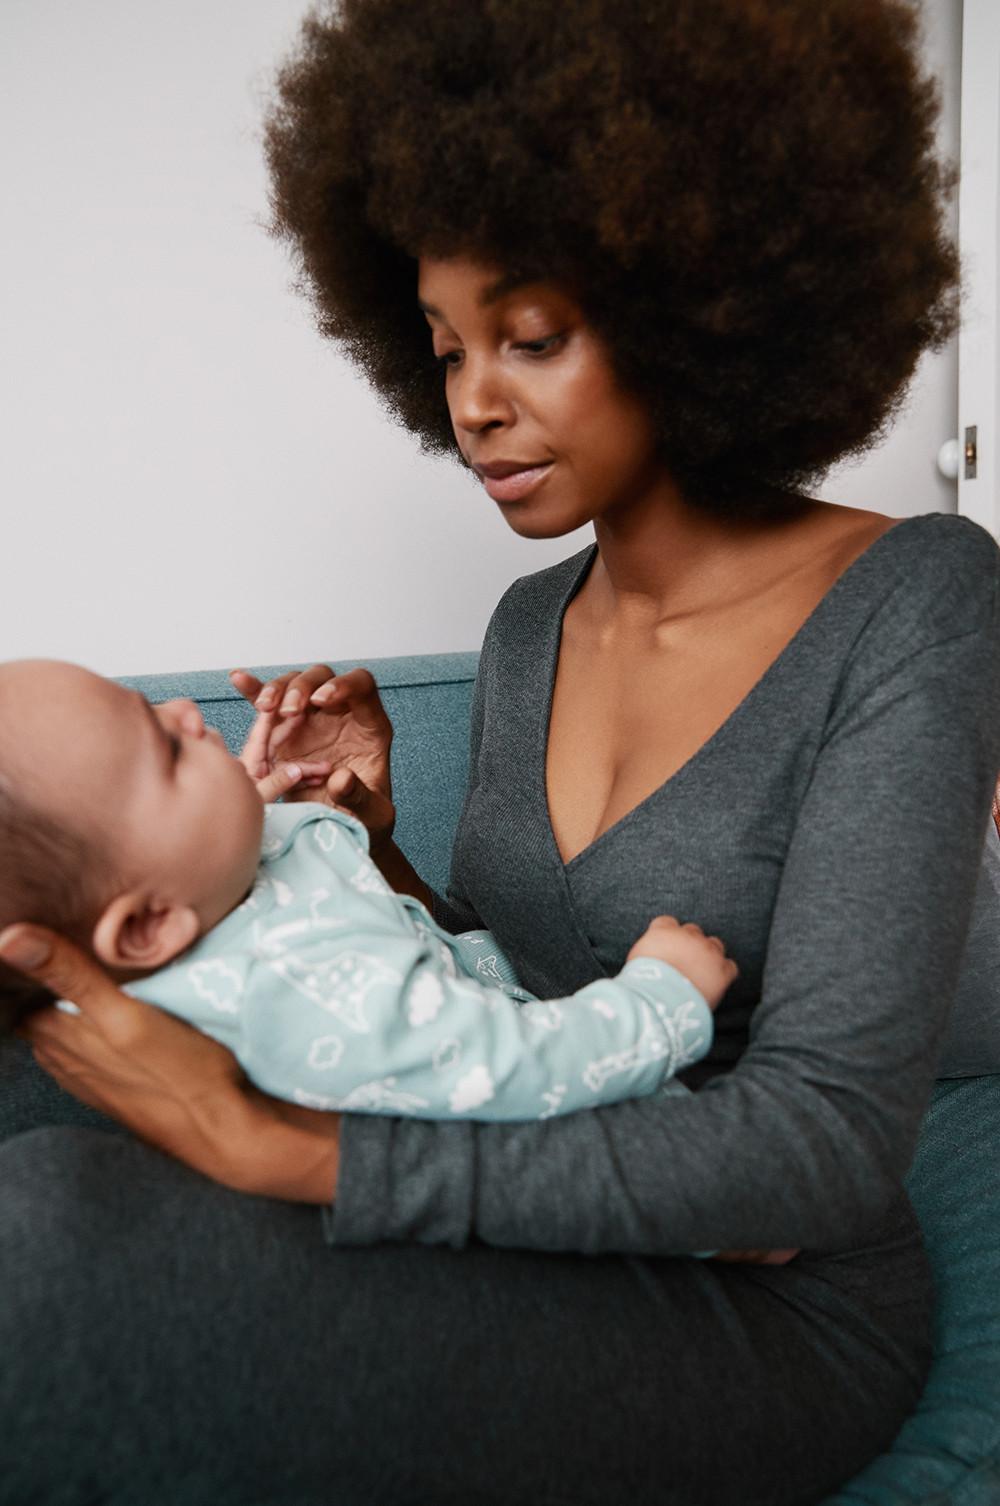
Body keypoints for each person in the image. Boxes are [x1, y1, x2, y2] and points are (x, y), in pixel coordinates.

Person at [1, 1, 998, 1502]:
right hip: (546, 1165)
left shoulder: (918, 596)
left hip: (774, 1296)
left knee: (45, 1260)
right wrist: (375, 841)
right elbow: (503, 992)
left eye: (532, 336)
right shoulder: (533, 621)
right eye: (445, 345)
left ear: (699, 297)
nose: (474, 404)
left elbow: (821, 1150)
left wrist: (287, 1152)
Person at [0, 658, 731, 1120]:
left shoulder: (207, 900)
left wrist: (265, 813)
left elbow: (300, 898)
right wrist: (662, 999)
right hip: (597, 1138)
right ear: (147, 926)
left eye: (149, 704)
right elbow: (503, 1066)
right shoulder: (292, 987)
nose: (184, 710)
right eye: (163, 748)